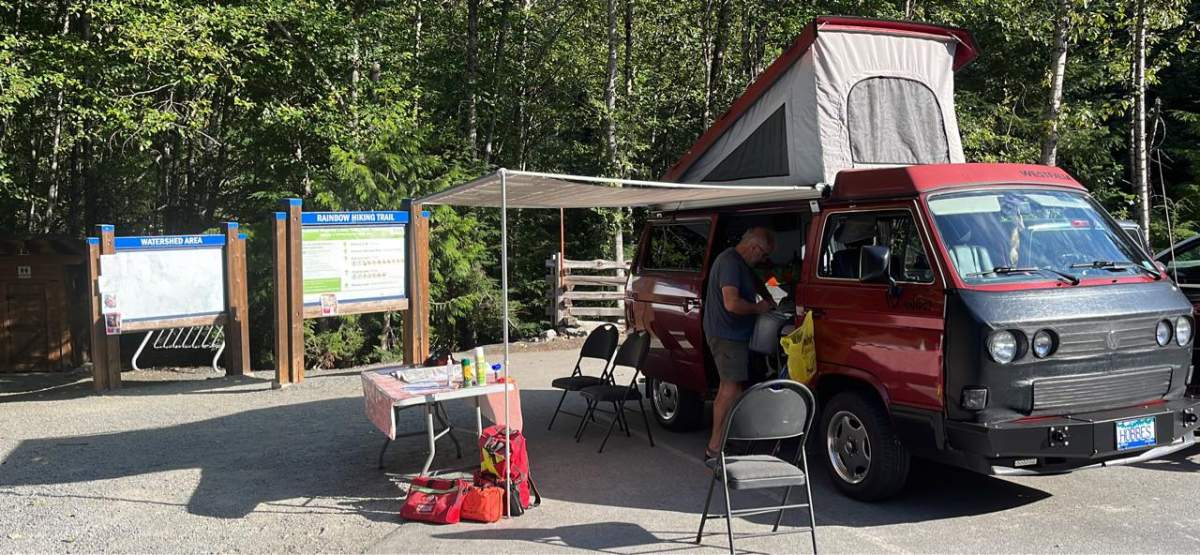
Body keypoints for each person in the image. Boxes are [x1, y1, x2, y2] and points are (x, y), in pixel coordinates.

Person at [703, 227, 776, 459]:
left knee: (736, 389)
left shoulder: (742, 264)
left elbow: (763, 285)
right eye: (764, 255)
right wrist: (759, 307)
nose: (763, 260)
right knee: (729, 388)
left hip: (735, 335)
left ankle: (727, 440)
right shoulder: (731, 263)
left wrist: (774, 295)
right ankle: (714, 449)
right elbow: (731, 304)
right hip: (727, 336)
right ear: (755, 247)